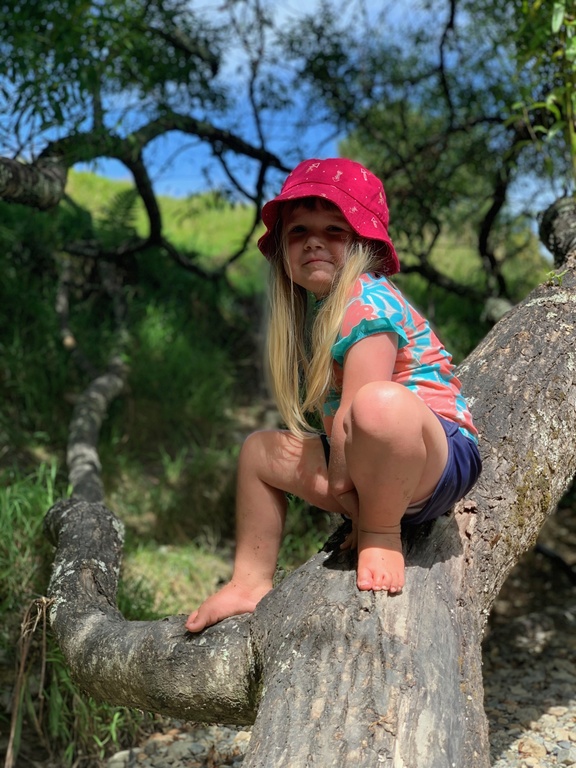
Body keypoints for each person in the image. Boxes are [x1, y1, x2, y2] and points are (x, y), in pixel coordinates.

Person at [185, 157, 481, 633]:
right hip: (370, 465)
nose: (313, 241)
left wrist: (354, 503)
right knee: (258, 452)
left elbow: (353, 414)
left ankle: (382, 533)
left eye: (333, 230)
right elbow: (340, 428)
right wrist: (352, 489)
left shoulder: (367, 301)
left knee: (378, 404)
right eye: (298, 231)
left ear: (364, 243)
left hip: (433, 459)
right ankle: (248, 582)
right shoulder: (323, 310)